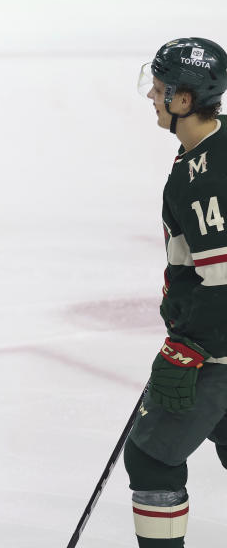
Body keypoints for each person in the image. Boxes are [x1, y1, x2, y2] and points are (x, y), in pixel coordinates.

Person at [125, 37, 227, 548]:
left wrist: (187, 349)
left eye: (160, 89)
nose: (152, 96)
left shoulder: (205, 179)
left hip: (217, 351)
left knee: (152, 457)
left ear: (184, 100)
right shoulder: (213, 146)